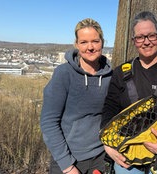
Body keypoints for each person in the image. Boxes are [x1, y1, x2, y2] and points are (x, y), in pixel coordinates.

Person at [101, 11, 157, 174]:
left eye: (152, 36)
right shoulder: (121, 73)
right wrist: (108, 144)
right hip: (129, 151)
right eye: (140, 37)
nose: (147, 42)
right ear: (134, 41)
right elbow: (110, 109)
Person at [40, 18, 112, 174]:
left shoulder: (110, 77)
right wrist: (68, 166)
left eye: (95, 41)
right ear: (77, 45)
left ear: (102, 43)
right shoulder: (64, 74)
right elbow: (49, 122)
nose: (90, 47)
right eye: (84, 42)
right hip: (69, 158)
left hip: (101, 157)